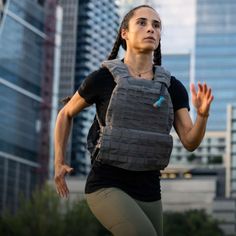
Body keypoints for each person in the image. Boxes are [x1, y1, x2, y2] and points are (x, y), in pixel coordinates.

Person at [54, 5, 214, 236]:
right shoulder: (103, 79)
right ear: (124, 33)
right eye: (142, 23)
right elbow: (65, 114)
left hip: (149, 189)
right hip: (107, 184)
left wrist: (203, 115)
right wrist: (58, 162)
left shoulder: (172, 87)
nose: (150, 29)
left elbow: (190, 141)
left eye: (156, 25)